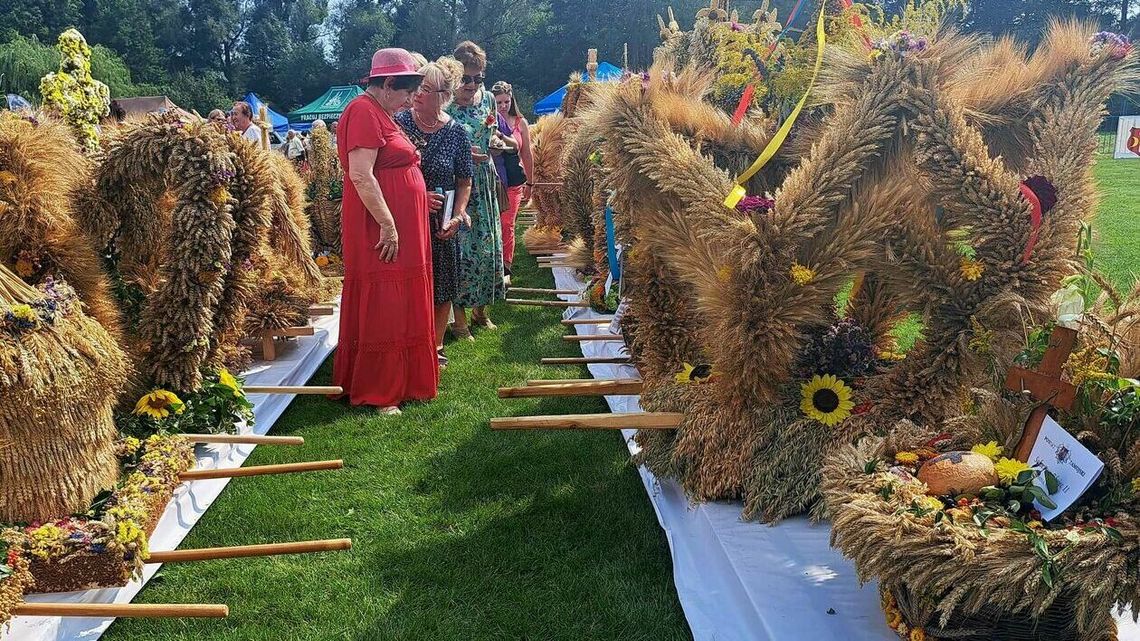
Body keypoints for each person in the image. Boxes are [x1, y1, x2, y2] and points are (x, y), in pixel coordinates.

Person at [334, 48, 437, 414]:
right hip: (378, 227)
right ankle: (380, 389)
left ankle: (405, 379)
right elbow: (361, 174)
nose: (412, 100)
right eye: (408, 91)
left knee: (400, 298)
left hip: (398, 223)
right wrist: (389, 224)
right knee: (386, 302)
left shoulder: (381, 112)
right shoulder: (362, 111)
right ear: (388, 84)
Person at [396, 58, 474, 366]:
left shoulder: (457, 133)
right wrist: (415, 196)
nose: (417, 94)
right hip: (406, 218)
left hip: (442, 224)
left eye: (426, 89)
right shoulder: (400, 123)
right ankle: (408, 343)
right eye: (418, 87)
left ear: (443, 95)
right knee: (407, 286)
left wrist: (458, 215)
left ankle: (436, 348)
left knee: (442, 285)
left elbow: (465, 180)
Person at [445, 41, 504, 337]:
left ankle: (482, 312)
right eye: (466, 78)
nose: (472, 84)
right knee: (462, 249)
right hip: (459, 183)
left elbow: (492, 134)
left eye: (478, 78)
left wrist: (495, 144)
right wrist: (465, 154)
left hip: (485, 181)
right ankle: (460, 321)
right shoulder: (446, 105)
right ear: (455, 77)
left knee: (487, 246)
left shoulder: (490, 100)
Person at [490, 81, 533, 285]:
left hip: (513, 178)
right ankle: (493, 263)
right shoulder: (489, 120)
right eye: (499, 102)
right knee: (494, 223)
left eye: (506, 101)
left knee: (507, 224)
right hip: (494, 176)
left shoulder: (519, 122)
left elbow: (526, 153)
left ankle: (506, 267)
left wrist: (530, 183)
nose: (503, 106)